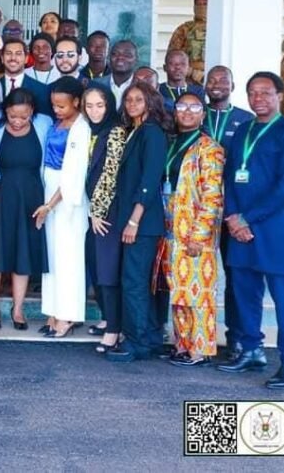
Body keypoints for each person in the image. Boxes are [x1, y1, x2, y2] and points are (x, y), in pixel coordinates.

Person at [217, 72, 284, 389]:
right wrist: (231, 217)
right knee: (244, 292)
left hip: (275, 227)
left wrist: (247, 219)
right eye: (253, 93)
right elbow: (230, 178)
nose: (259, 98)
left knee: (283, 297)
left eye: (266, 92)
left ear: (280, 96)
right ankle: (252, 349)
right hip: (239, 225)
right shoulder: (242, 130)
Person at [159, 93, 224, 367]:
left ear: (202, 113)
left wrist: (199, 234)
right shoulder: (173, 143)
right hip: (170, 227)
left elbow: (212, 195)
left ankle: (199, 349)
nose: (186, 111)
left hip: (195, 231)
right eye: (181, 106)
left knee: (197, 292)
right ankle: (181, 344)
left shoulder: (209, 148)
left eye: (193, 107)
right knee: (178, 290)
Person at [105, 81, 168, 363]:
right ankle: (149, 338)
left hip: (142, 222)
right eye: (128, 99)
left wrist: (133, 221)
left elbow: (149, 180)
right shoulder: (136, 131)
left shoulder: (151, 133)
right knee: (138, 282)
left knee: (133, 283)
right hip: (134, 220)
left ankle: (136, 343)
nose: (132, 104)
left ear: (150, 103)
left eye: (138, 99)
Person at [0, 88, 51, 331]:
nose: (18, 121)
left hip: (31, 198)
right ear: (5, 112)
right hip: (0, 196)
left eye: (24, 116)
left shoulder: (44, 125)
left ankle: (18, 308)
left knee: (22, 253)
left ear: (32, 111)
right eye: (13, 116)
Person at [201, 64, 253, 357]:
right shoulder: (194, 115)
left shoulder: (245, 120)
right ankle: (195, 335)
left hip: (232, 210)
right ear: (205, 85)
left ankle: (237, 338)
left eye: (223, 80)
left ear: (233, 87)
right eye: (212, 79)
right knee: (196, 271)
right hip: (199, 211)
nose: (217, 83)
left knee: (235, 276)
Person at [34, 77, 91, 338]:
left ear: (77, 102)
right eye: (54, 105)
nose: (56, 110)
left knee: (68, 258)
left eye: (62, 106)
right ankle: (52, 310)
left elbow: (73, 173)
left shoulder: (81, 128)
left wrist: (49, 204)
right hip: (49, 189)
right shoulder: (58, 123)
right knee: (53, 257)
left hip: (67, 199)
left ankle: (67, 315)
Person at [85, 85, 127, 353]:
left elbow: (110, 173)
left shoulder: (115, 131)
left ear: (109, 105)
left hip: (107, 212)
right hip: (92, 211)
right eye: (89, 105)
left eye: (99, 105)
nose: (94, 110)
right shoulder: (89, 129)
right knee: (96, 266)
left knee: (108, 271)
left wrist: (97, 211)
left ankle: (114, 330)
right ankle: (106, 318)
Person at [0, 38, 52, 121]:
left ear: (26, 59)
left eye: (18, 54)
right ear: (2, 58)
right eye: (8, 53)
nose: (13, 58)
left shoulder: (42, 90)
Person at [167, 0, 208, 85]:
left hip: (213, 80)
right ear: (194, 7)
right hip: (188, 81)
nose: (201, 7)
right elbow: (172, 58)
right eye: (198, 4)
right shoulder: (184, 29)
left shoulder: (219, 29)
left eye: (205, 4)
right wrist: (190, 72)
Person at [95, 40, 138, 108]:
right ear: (109, 58)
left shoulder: (144, 87)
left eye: (127, 55)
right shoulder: (95, 85)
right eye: (115, 54)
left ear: (136, 60)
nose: (120, 57)